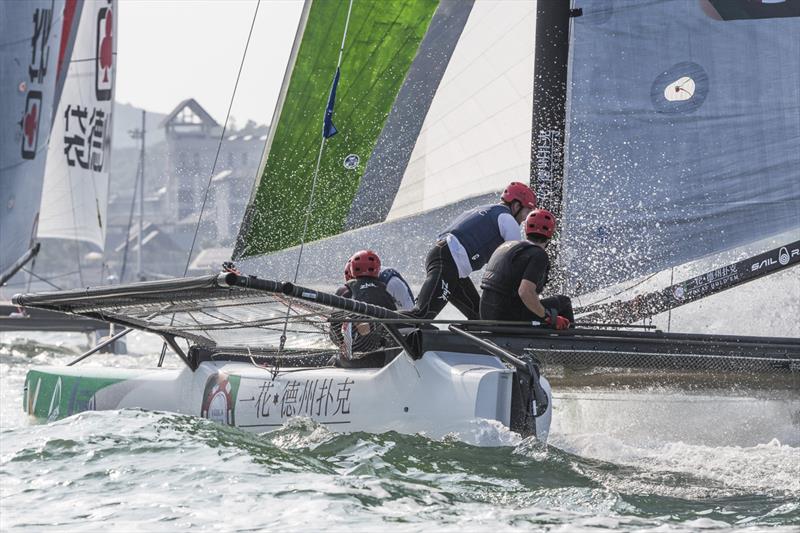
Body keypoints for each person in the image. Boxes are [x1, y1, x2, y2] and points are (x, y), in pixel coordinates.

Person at [409, 182, 536, 320]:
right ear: (516, 205)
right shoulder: (508, 220)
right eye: (527, 211)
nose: (525, 219)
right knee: (422, 314)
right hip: (448, 261)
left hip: (449, 262)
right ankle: (381, 322)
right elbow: (515, 263)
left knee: (480, 318)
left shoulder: (489, 210)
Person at [479, 209, 573, 329]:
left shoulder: (507, 246)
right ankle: (572, 343)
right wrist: (548, 316)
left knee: (536, 306)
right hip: (506, 319)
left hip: (486, 315)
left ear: (526, 229)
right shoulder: (538, 254)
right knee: (563, 302)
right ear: (551, 235)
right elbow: (525, 292)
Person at [332, 250, 398, 367]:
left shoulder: (345, 291)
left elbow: (333, 329)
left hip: (356, 360)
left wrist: (341, 342)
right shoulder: (385, 291)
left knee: (333, 359)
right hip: (385, 357)